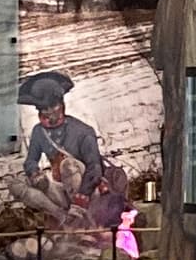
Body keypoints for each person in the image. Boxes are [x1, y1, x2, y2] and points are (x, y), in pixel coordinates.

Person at [9, 68, 127, 232]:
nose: (49, 113)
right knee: (16, 183)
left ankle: (80, 217)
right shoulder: (38, 132)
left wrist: (81, 198)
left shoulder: (83, 131)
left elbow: (94, 169)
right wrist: (34, 173)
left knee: (69, 165)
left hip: (88, 192)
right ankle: (61, 216)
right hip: (60, 191)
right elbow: (30, 160)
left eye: (53, 107)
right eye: (44, 109)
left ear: (61, 105)